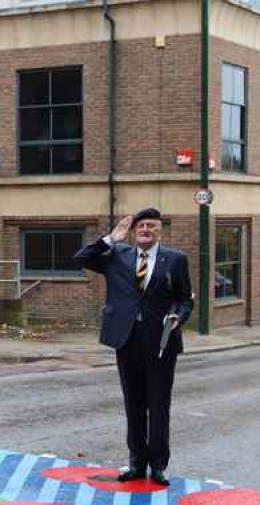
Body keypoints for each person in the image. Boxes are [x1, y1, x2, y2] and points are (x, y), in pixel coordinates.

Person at [73, 208, 193, 487]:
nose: (146, 230)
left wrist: (179, 316)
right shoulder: (117, 255)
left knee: (159, 405)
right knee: (134, 404)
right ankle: (136, 462)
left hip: (161, 343)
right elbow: (80, 258)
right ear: (133, 231)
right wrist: (111, 238)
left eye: (151, 226)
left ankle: (158, 465)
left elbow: (185, 300)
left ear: (160, 230)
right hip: (126, 340)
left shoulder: (175, 260)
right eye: (140, 226)